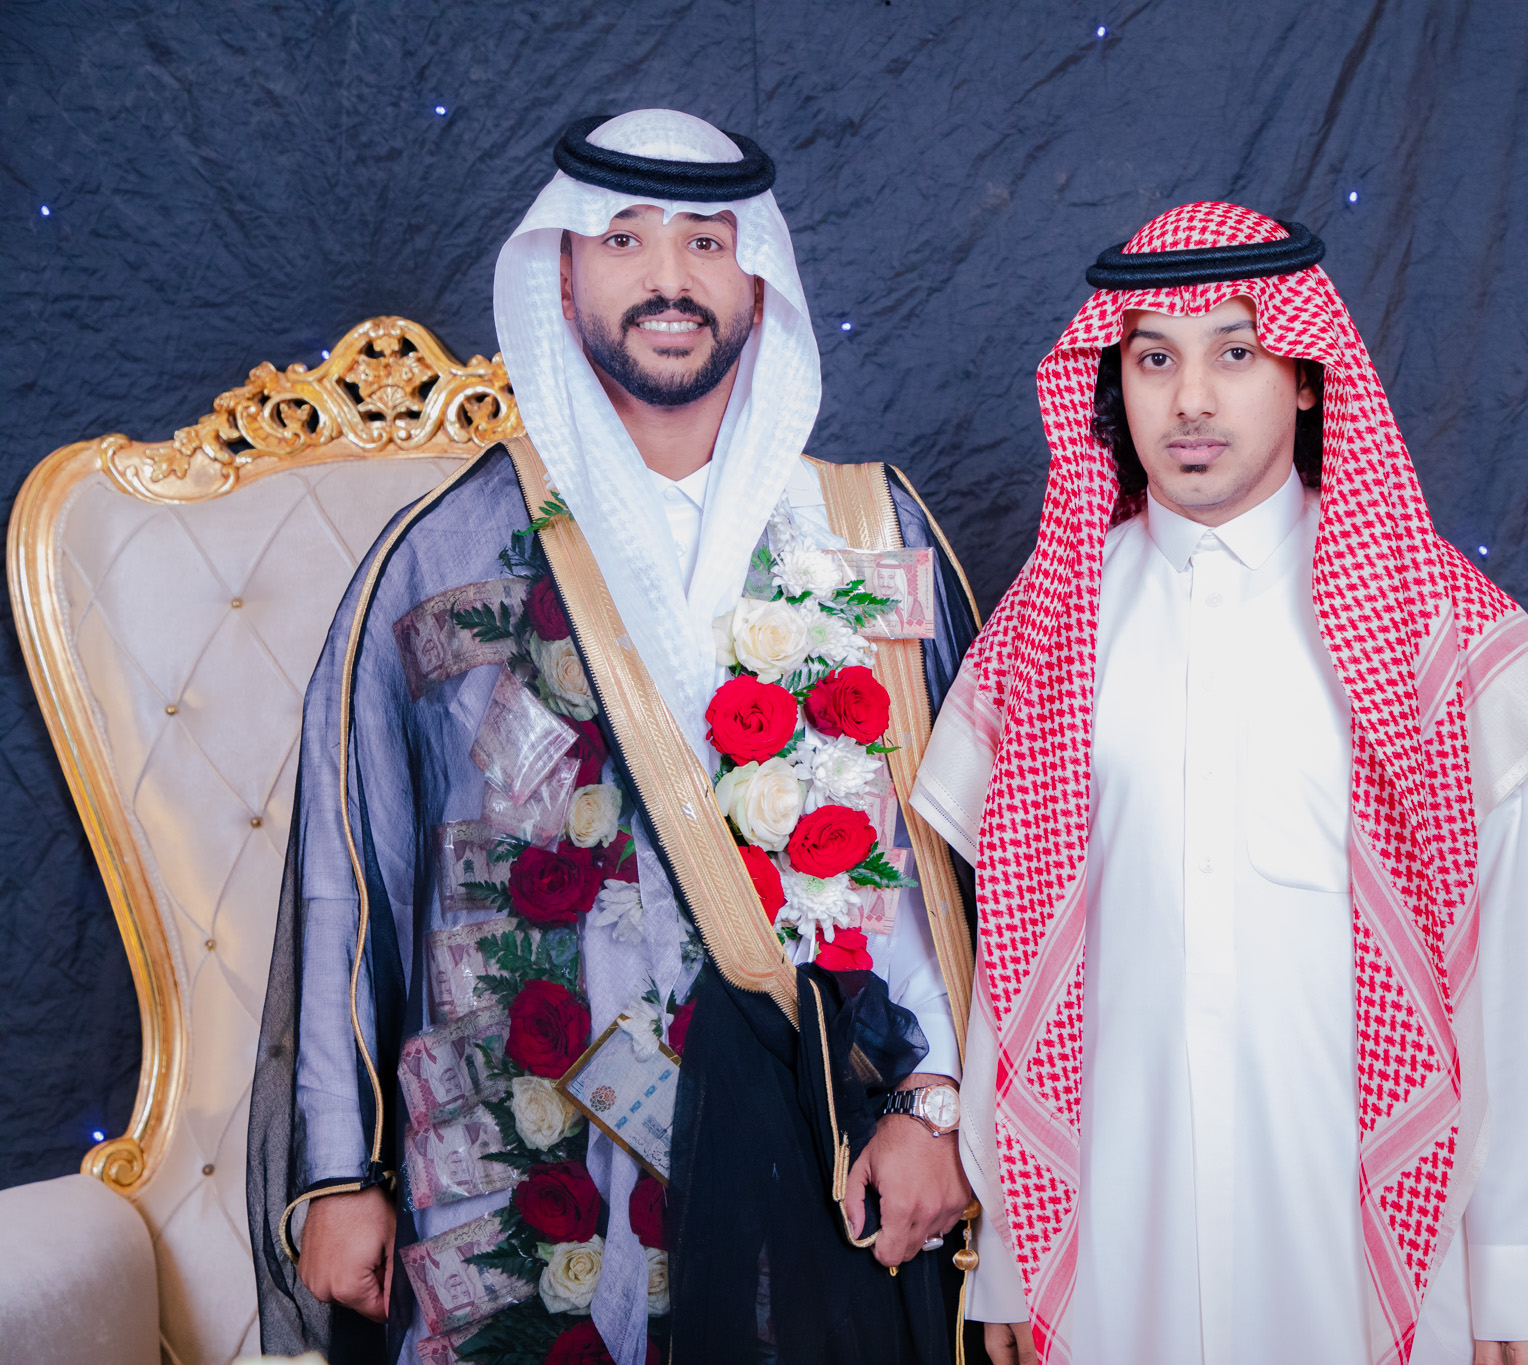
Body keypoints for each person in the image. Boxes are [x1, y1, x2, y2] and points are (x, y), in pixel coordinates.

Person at [249, 109, 980, 1365]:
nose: (668, 279)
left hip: (827, 1167)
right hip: (534, 1172)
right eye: (625, 239)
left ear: (758, 278)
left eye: (706, 242)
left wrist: (937, 1108)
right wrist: (337, 1170)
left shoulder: (869, 533)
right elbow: (350, 878)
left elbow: (958, 875)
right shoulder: (441, 557)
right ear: (561, 275)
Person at [910, 203, 1528, 1365]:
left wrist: (1522, 1272)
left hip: (1359, 1214)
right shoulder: (1046, 626)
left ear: (1307, 378)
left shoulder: (1424, 616)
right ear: (1113, 385)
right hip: (1117, 1232)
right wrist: (1018, 1262)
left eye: (1234, 352)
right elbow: (1017, 963)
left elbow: (1502, 971)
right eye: (1153, 360)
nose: (1190, 400)